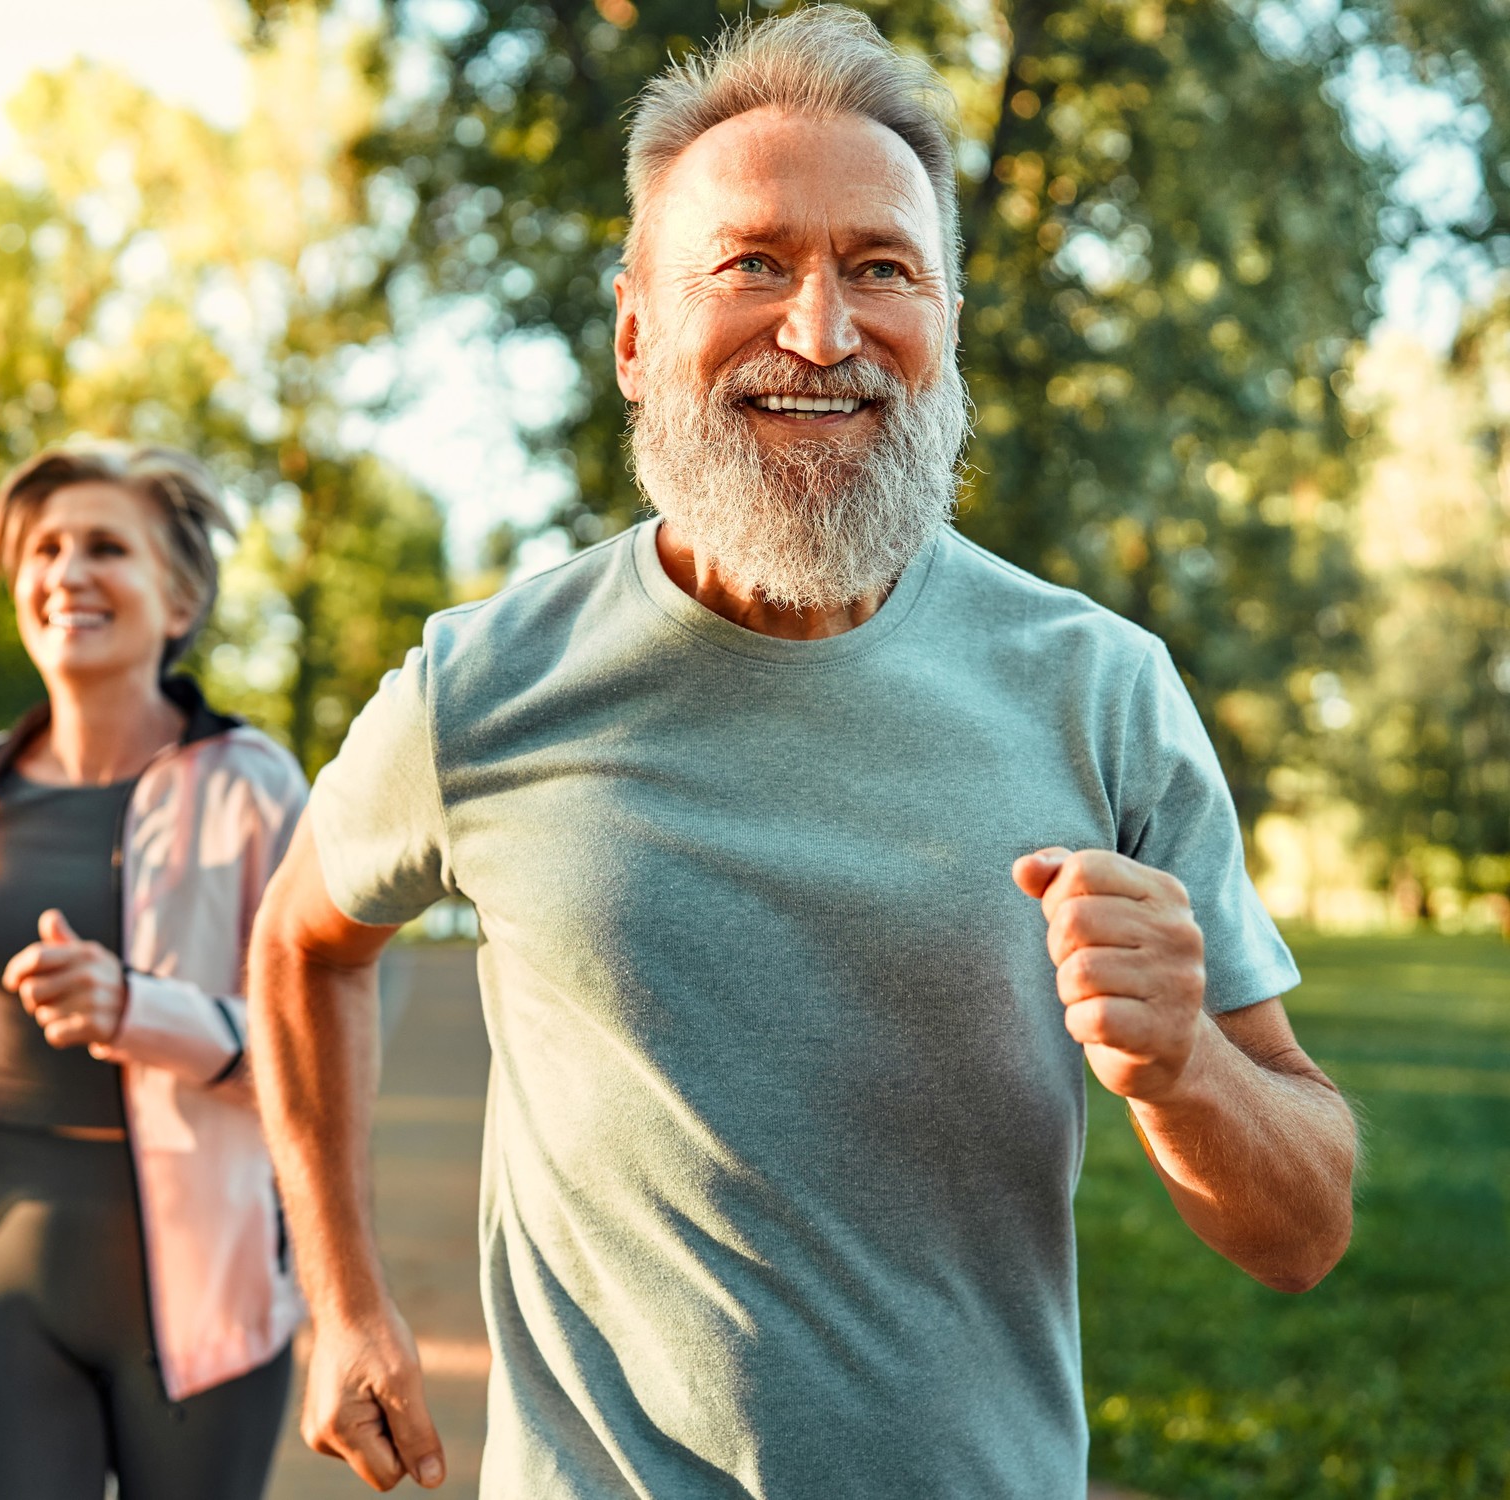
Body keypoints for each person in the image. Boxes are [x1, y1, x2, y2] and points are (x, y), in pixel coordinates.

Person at [246, 8, 1358, 1498]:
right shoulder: (485, 685)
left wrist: (1184, 1068)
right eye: (754, 261)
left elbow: (1302, 1231)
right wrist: (343, 1304)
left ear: (945, 322)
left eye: (881, 267)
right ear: (636, 334)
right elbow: (303, 946)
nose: (823, 331)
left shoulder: (1101, 689)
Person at [0, 444, 306, 1500]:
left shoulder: (255, 787)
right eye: (43, 549)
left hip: (199, 1287)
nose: (65, 572)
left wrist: (133, 1010)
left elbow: (317, 1060)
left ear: (180, 593)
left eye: (105, 546)